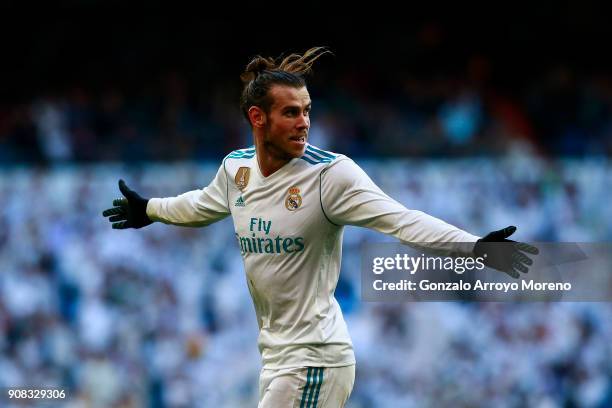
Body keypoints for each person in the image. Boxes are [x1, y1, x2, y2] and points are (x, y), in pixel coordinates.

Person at [102, 47, 537, 407]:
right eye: (291, 112)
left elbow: (401, 220)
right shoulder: (236, 170)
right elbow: (200, 205)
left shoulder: (331, 176)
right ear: (258, 118)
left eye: (307, 111)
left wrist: (474, 246)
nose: (304, 122)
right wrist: (151, 210)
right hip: (275, 359)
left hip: (316, 359)